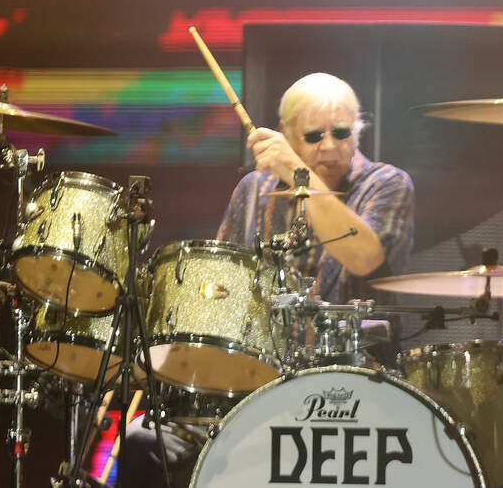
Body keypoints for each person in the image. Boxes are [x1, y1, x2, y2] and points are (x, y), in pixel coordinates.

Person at [117, 72, 415, 488]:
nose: (330, 146)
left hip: (349, 394)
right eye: (314, 136)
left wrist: (299, 174)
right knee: (140, 441)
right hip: (252, 389)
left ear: (358, 129)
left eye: (342, 132)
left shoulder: (386, 183)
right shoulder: (253, 190)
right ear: (287, 134)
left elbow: (363, 256)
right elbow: (216, 296)